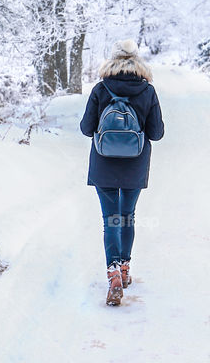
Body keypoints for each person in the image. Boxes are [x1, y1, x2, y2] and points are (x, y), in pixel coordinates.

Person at [79, 40, 164, 306]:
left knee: (110, 219)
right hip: (135, 163)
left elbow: (85, 128)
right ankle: (125, 269)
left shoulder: (100, 89)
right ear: (137, 61)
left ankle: (113, 270)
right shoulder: (147, 90)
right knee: (127, 216)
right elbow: (157, 133)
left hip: (104, 164)